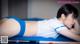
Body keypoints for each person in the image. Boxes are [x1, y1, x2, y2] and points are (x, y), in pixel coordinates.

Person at [0, 4, 80, 41]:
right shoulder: (57, 25)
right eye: (73, 17)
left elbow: (77, 32)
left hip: (15, 26)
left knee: (3, 40)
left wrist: (75, 19)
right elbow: (76, 37)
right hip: (17, 27)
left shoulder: (57, 23)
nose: (73, 21)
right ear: (63, 16)